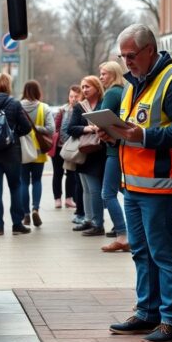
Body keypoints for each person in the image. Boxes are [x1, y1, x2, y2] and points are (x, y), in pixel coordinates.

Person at [101, 24, 172, 342]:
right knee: (141, 251)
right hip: (134, 184)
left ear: (150, 51)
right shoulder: (134, 84)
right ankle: (147, 312)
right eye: (123, 56)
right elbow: (131, 128)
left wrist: (143, 136)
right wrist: (111, 134)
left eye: (131, 55)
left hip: (161, 184)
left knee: (162, 252)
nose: (127, 62)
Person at [0, 73, 32, 235]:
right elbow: (27, 127)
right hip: (11, 153)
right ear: (9, 85)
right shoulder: (14, 103)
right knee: (15, 187)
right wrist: (13, 134)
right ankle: (17, 225)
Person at [68, 75, 106, 236]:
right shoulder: (79, 107)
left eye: (87, 87)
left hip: (99, 151)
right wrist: (88, 129)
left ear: (97, 87)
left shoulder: (104, 104)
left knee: (95, 189)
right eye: (83, 87)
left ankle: (98, 222)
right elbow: (71, 128)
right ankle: (88, 219)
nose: (84, 90)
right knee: (86, 189)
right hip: (83, 152)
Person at [97, 61, 128, 251]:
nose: (101, 77)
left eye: (104, 74)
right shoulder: (124, 91)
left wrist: (95, 125)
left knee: (107, 193)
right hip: (123, 148)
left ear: (114, 74)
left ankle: (123, 235)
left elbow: (103, 120)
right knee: (126, 190)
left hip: (113, 151)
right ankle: (132, 231)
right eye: (100, 74)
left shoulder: (111, 93)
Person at [20, 80, 54, 227]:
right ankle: (36, 209)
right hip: (39, 151)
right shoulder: (44, 107)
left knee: (23, 182)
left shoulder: (18, 106)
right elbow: (51, 129)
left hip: (23, 151)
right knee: (37, 181)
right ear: (38, 91)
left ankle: (26, 214)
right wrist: (37, 128)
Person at [52, 85, 81, 210]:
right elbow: (56, 127)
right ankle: (57, 198)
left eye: (76, 96)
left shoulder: (81, 109)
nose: (73, 99)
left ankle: (69, 199)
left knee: (71, 173)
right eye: (71, 96)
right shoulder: (62, 110)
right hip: (59, 147)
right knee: (57, 173)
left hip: (73, 147)